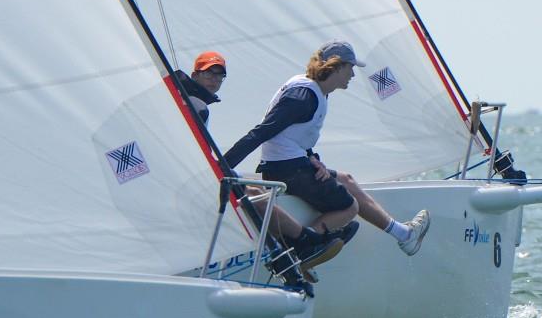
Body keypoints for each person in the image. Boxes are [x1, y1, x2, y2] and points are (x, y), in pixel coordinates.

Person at [224, 41, 430, 256]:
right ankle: (303, 247)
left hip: (293, 163)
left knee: (346, 179)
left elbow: (295, 135)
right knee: (349, 208)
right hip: (287, 170)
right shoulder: (302, 97)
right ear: (337, 66)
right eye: (350, 68)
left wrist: (312, 158)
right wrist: (221, 167)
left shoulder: (318, 91)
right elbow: (262, 133)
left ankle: (404, 234)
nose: (352, 74)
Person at [178, 51, 347, 277]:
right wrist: (221, 169)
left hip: (196, 173)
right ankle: (302, 242)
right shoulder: (197, 105)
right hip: (192, 178)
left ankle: (299, 241)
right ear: (195, 75)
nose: (215, 79)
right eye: (209, 72)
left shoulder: (190, 100)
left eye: (220, 75)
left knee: (254, 190)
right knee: (254, 194)